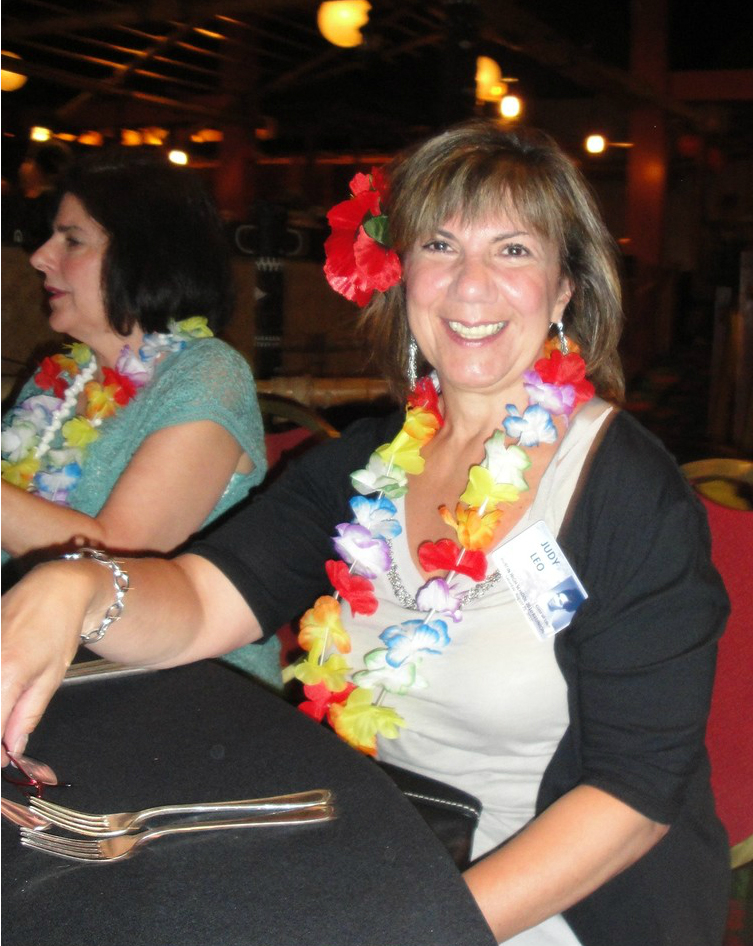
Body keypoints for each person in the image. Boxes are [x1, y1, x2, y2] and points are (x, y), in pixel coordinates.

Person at [1, 123, 730, 945]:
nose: (470, 285)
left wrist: (412, 928)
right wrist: (80, 585)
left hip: (552, 904)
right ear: (402, 273)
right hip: (374, 845)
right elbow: (205, 601)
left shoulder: (626, 493)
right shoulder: (368, 462)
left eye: (513, 250)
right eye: (440, 245)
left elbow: (634, 798)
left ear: (564, 290)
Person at [1, 150, 280, 685]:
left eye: (71, 241)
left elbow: (113, 561)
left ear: (146, 255)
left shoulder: (208, 373)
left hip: (176, 685)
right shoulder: (57, 378)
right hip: (38, 661)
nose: (39, 257)